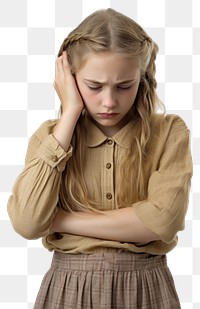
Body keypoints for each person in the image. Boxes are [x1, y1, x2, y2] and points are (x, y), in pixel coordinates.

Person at [7, 8, 192, 309]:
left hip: (146, 288)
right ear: (69, 78)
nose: (109, 101)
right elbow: (28, 223)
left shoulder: (169, 133)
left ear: (142, 79)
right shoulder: (50, 138)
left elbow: (162, 221)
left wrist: (59, 220)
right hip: (67, 290)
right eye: (94, 86)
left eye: (124, 86)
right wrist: (69, 115)